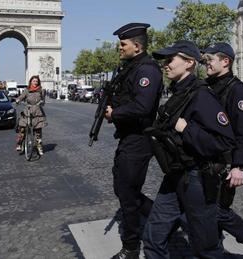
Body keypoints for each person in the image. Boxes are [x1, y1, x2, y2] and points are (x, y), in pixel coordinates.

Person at [143, 40, 235, 259]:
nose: (165, 65)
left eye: (170, 60)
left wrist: (187, 130)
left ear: (189, 63)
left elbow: (224, 141)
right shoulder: (178, 94)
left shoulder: (201, 95)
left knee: (205, 247)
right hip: (175, 174)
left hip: (197, 178)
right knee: (153, 236)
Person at [202, 42, 243, 259]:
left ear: (225, 61)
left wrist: (239, 165)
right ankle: (215, 251)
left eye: (210, 61)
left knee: (218, 211)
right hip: (206, 158)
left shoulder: (236, 89)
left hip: (224, 162)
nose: (206, 65)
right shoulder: (208, 86)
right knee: (206, 210)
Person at [104, 23, 164, 259]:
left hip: (139, 139)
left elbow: (143, 106)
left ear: (136, 46)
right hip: (128, 137)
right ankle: (164, 217)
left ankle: (130, 247)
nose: (119, 48)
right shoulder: (131, 68)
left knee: (128, 196)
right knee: (121, 187)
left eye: (123, 44)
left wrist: (114, 114)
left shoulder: (147, 70)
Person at [15, 75, 47, 155]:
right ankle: (20, 142)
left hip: (38, 111)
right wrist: (18, 100)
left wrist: (42, 102)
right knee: (22, 128)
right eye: (34, 81)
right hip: (28, 111)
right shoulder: (27, 90)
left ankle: (39, 146)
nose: (35, 83)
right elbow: (21, 97)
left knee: (38, 131)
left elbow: (43, 101)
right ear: (31, 82)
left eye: (36, 81)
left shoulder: (41, 91)